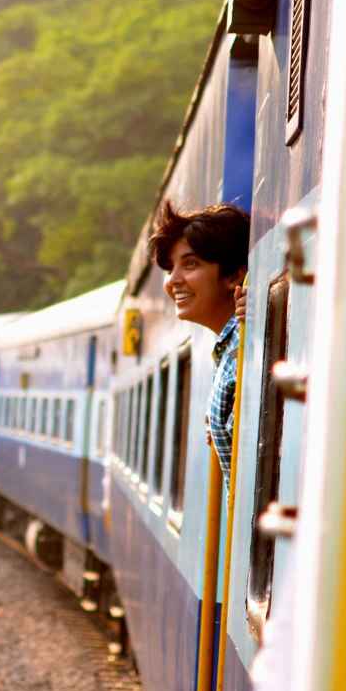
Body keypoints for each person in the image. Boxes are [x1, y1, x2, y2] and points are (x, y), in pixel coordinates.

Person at [147, 200, 250, 490]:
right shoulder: (230, 350)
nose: (172, 281)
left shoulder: (247, 350)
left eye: (190, 264)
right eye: (171, 268)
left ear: (234, 276)